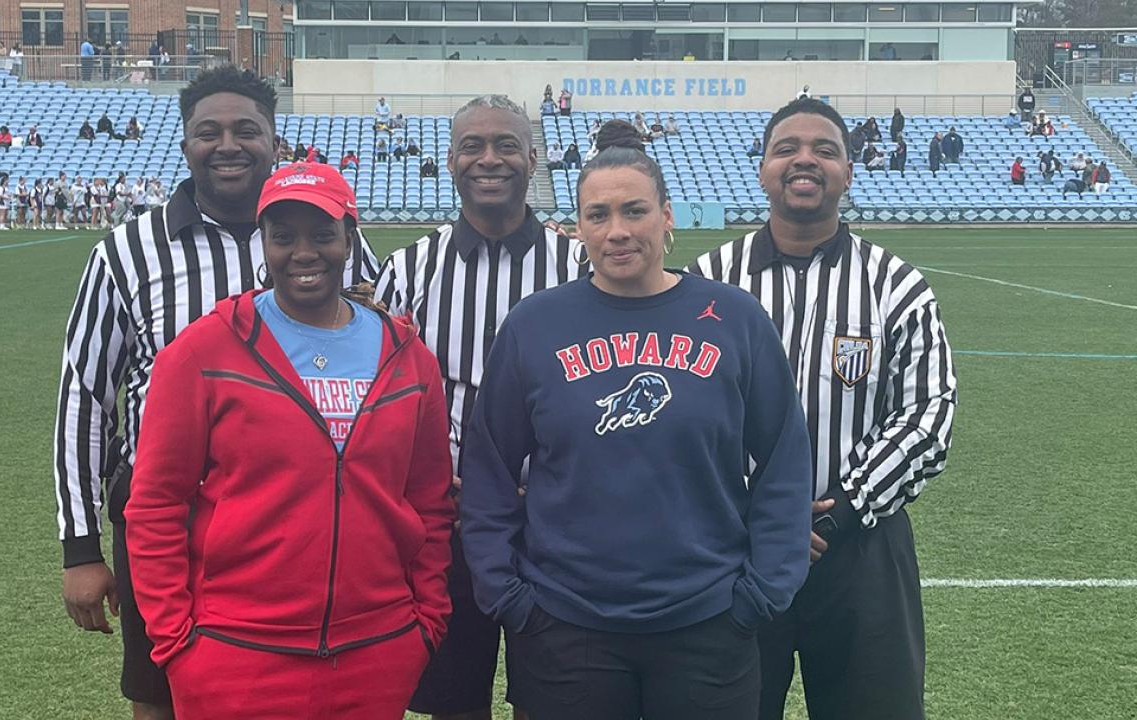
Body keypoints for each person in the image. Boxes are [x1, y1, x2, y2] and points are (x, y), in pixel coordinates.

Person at [463, 120, 812, 720]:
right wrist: (509, 597)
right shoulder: (534, 325)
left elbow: (784, 459)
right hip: (563, 627)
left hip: (708, 624)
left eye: (634, 211)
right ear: (576, 229)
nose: (617, 231)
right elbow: (489, 466)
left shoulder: (734, 318)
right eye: (598, 215)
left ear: (667, 216)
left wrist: (759, 595)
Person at [55, 67, 371, 720]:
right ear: (185, 146)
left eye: (246, 130)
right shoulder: (125, 253)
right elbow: (85, 397)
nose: (228, 144)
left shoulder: (323, 238)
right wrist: (81, 548)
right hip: (161, 515)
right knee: (161, 687)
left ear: (275, 142)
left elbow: (372, 354)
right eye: (209, 132)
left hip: (290, 513)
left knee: (292, 684)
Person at [126, 162, 453, 719]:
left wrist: (423, 621)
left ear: (350, 239)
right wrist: (178, 641)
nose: (304, 253)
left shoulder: (408, 358)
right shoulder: (204, 352)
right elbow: (156, 503)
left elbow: (430, 502)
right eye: (284, 237)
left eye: (323, 235)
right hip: (235, 654)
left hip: (376, 651)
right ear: (265, 244)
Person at [686, 97, 956, 720]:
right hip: (732, 548)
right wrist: (754, 515)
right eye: (787, 148)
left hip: (859, 551)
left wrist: (838, 515)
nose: (805, 160)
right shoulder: (706, 282)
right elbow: (681, 413)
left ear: (848, 171)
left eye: (825, 150)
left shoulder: (897, 284)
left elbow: (928, 415)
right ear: (761, 169)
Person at [375, 93, 588, 720]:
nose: (488, 159)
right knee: (454, 700)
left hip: (553, 525)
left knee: (552, 697)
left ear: (532, 157)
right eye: (472, 145)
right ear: (450, 159)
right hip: (446, 524)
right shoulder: (409, 270)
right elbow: (382, 398)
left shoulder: (577, 267)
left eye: (504, 145)